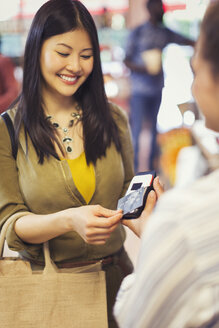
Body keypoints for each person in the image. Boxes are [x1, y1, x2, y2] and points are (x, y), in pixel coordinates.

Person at [0, 1, 135, 327]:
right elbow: (9, 223)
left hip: (117, 281)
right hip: (50, 291)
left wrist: (147, 209)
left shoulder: (113, 117)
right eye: (63, 53)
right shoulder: (8, 129)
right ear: (37, 51)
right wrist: (69, 220)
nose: (75, 65)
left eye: (86, 56)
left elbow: (127, 190)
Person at [114, 1, 219, 327]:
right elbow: (128, 57)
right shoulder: (139, 34)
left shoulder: (183, 219)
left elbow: (133, 318)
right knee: (137, 135)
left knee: (150, 136)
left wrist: (158, 240)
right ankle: (139, 170)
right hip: (143, 89)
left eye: (196, 58)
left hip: (154, 93)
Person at [124, 0, 195, 172]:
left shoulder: (164, 33)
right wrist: (145, 68)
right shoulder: (138, 32)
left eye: (162, 8)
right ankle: (132, 172)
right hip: (139, 90)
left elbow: (186, 40)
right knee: (137, 131)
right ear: (149, 9)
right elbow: (126, 60)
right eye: (158, 8)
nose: (161, 11)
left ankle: (151, 171)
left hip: (156, 88)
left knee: (155, 129)